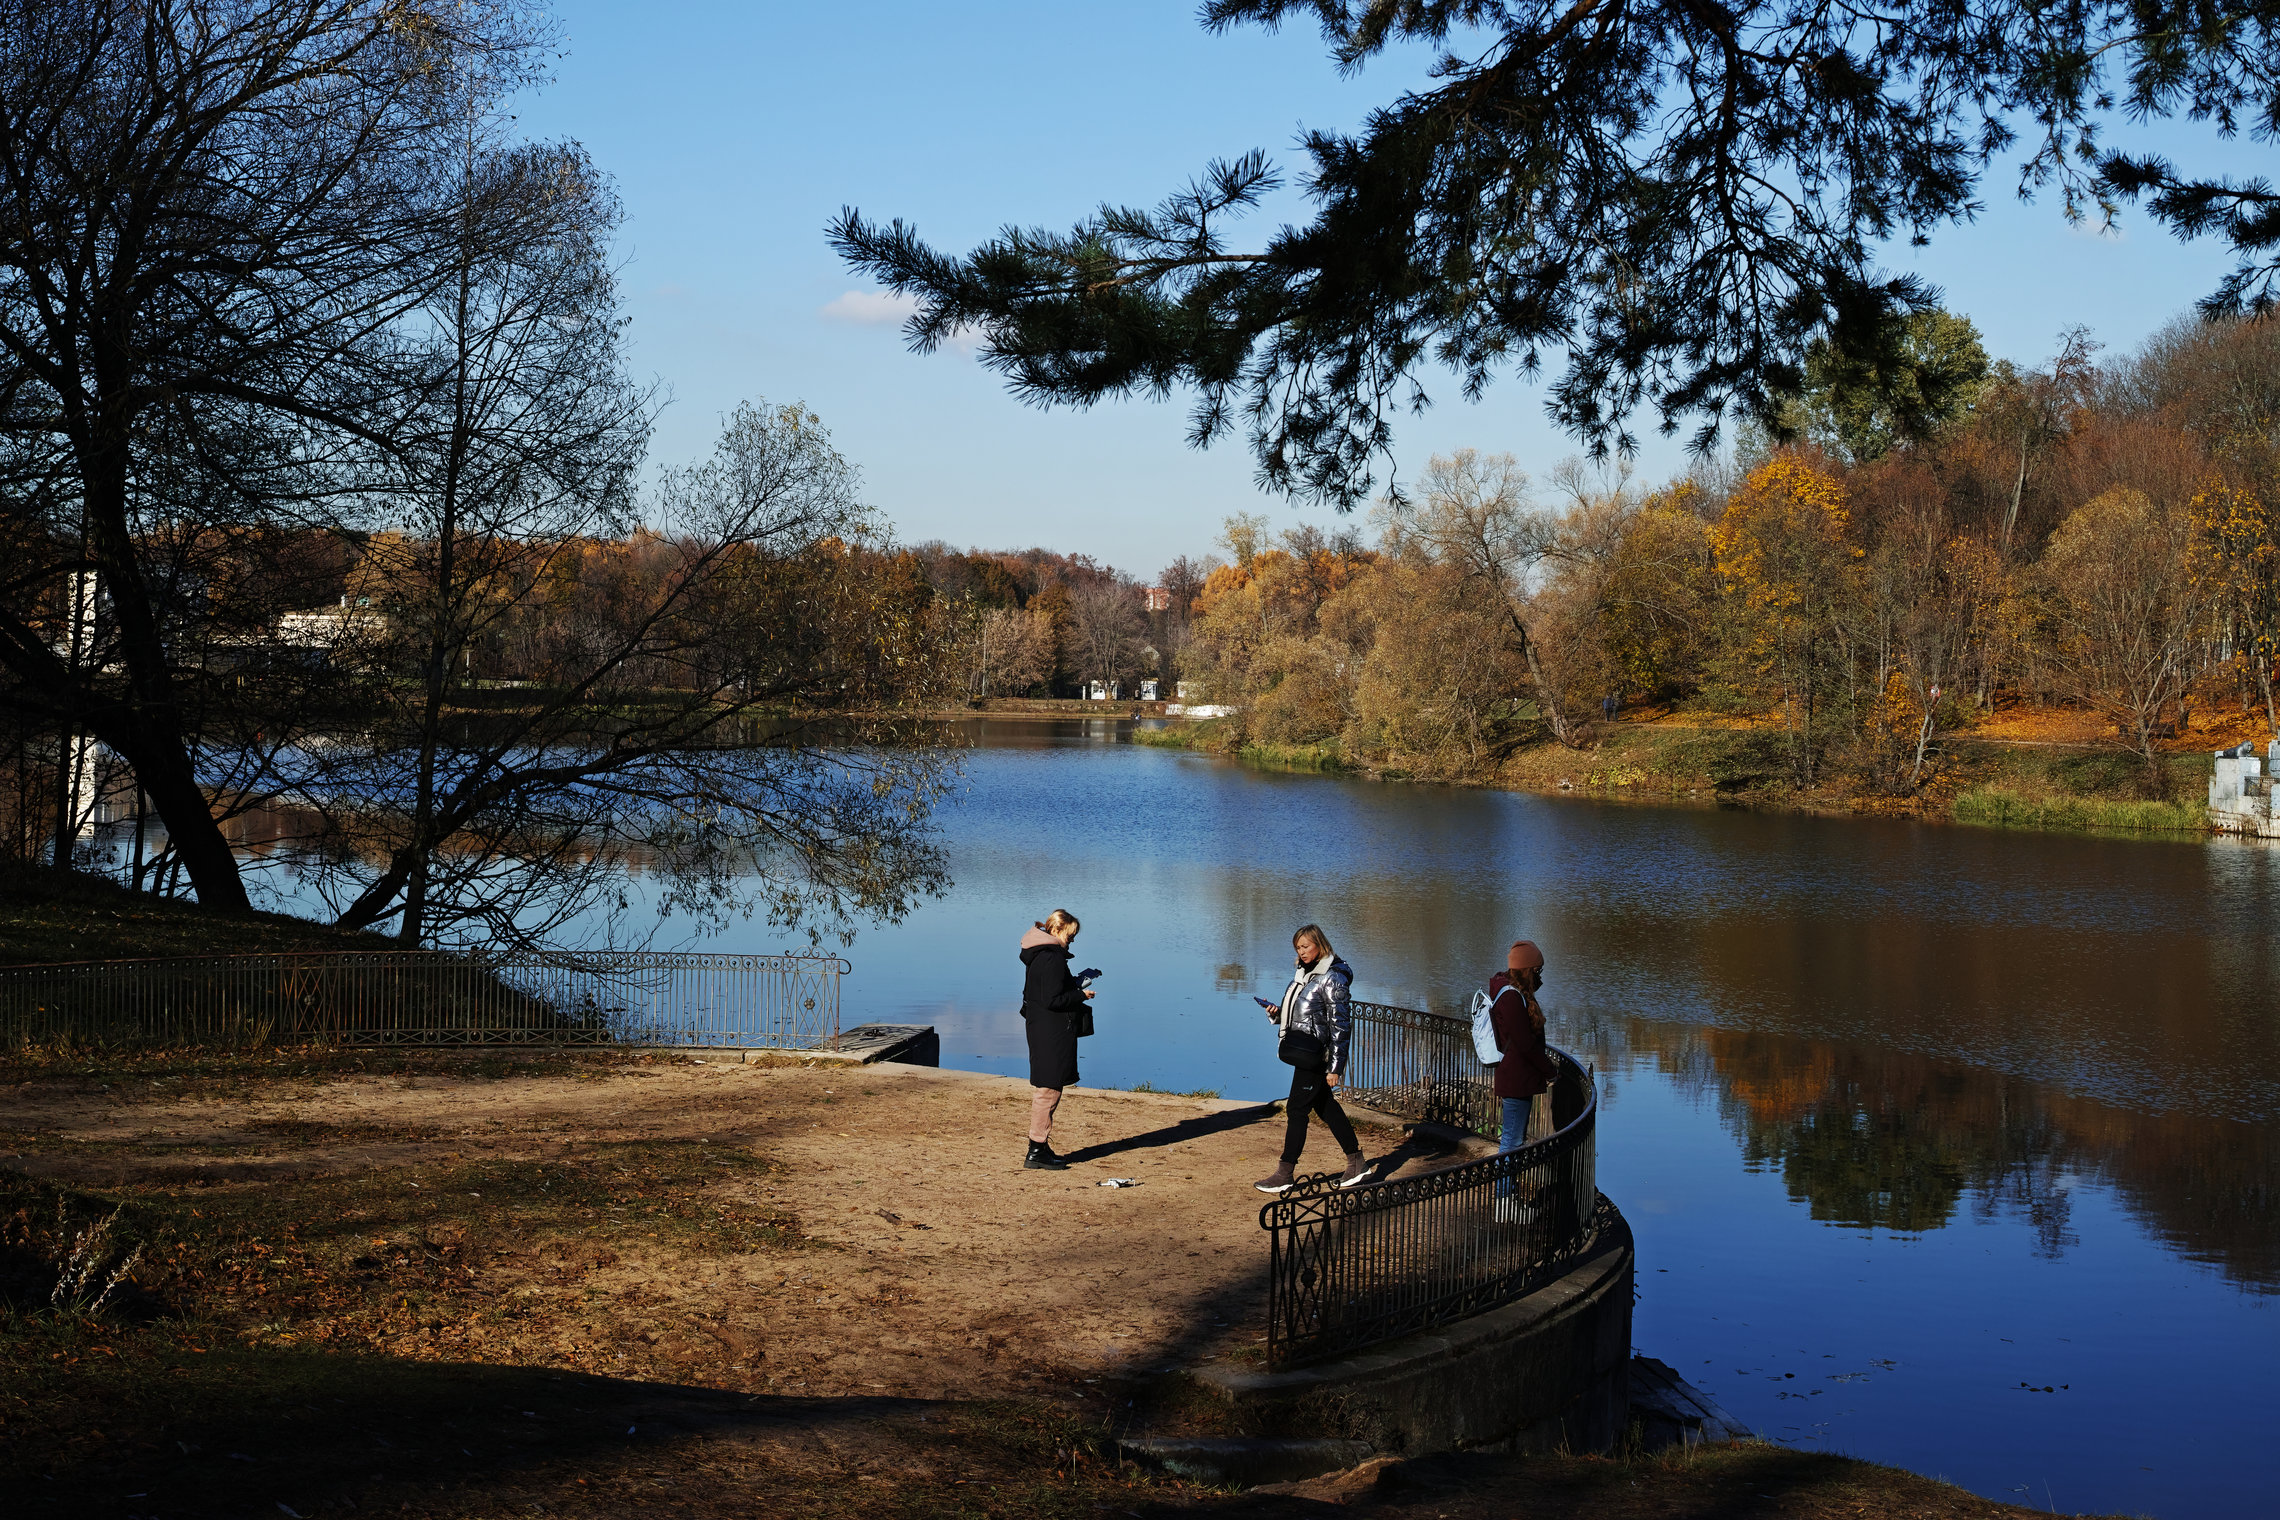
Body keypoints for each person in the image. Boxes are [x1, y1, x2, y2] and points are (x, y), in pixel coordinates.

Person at [1254, 923, 1370, 1193]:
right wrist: (1276, 1012)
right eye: (1298, 947)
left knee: (1296, 1109)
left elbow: (1341, 1026)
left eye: (1306, 946)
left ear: (1320, 945)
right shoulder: (1305, 974)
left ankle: (1285, 1172)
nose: (1301, 951)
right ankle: (1357, 1162)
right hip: (1305, 1050)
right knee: (1324, 1105)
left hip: (1318, 1055)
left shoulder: (1333, 977)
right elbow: (1304, 1014)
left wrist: (1335, 1067)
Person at [1485, 939, 1557, 1222]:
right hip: (1516, 1079)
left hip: (1518, 1078)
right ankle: (1505, 1204)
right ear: (1527, 969)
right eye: (1537, 970)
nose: (1540, 976)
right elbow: (1525, 1044)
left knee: (1513, 1141)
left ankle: (1509, 1198)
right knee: (1511, 1143)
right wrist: (1550, 1070)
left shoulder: (1513, 993)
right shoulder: (1511, 998)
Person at [1018, 908, 1094, 1170]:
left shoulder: (1042, 955)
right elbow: (1052, 1000)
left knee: (1050, 1089)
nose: (1071, 940)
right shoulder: (1051, 958)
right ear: (1057, 930)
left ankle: (1039, 1146)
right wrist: (1080, 996)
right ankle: (1036, 1150)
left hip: (1043, 1029)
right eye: (1070, 935)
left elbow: (1042, 993)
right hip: (1050, 1032)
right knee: (1048, 1091)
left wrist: (1072, 984)